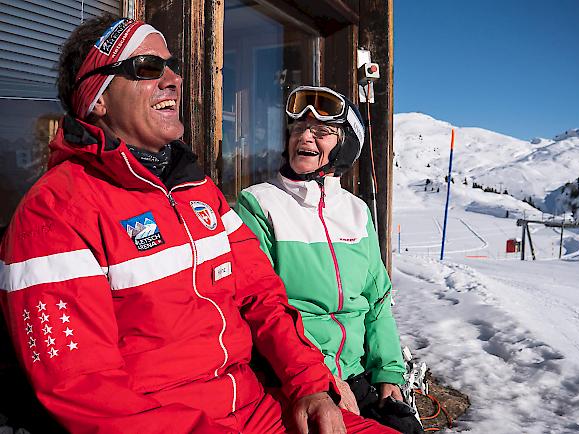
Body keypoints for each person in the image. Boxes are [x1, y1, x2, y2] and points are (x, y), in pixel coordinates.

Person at [0, 16, 398, 434]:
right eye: (148, 68)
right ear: (96, 98)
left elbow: (261, 294)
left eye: (171, 66)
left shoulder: (196, 189)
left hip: (257, 407)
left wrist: (310, 384)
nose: (173, 78)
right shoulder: (54, 213)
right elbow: (85, 391)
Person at [236, 86, 423, 433]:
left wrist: (388, 372)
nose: (304, 136)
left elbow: (377, 298)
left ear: (345, 145)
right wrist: (319, 379)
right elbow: (262, 308)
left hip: (356, 372)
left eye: (321, 132)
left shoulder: (356, 211)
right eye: (297, 129)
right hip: (295, 377)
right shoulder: (259, 205)